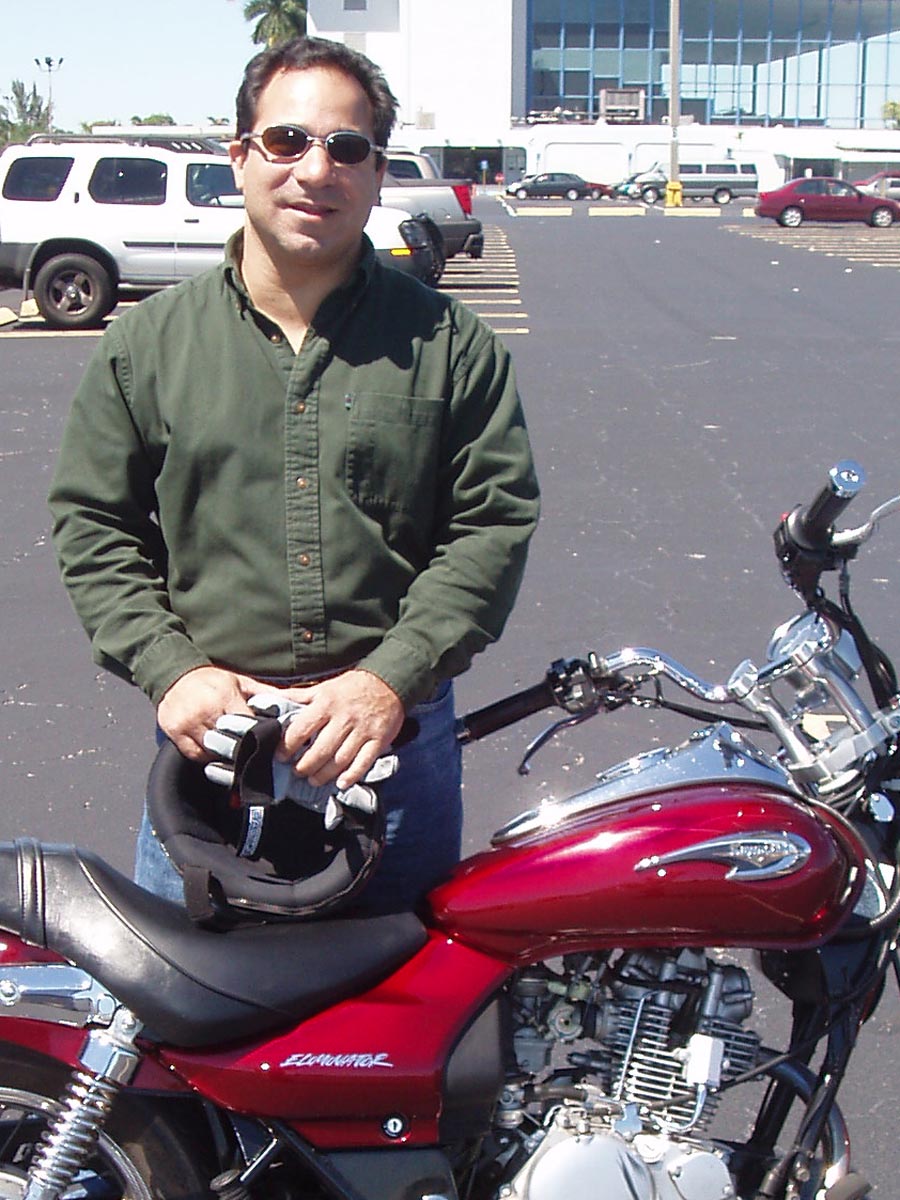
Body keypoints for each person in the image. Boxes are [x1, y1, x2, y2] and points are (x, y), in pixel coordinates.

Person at [47, 36, 540, 914]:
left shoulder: (451, 347)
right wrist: (170, 670)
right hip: (213, 757)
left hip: (391, 751)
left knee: (403, 999)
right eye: (286, 141)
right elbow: (95, 525)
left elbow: (489, 527)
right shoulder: (146, 346)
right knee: (187, 998)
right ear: (239, 156)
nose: (316, 170)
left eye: (346, 148)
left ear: (378, 173)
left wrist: (388, 680)